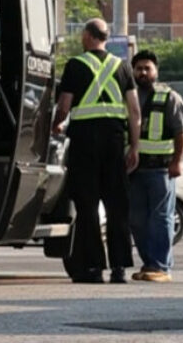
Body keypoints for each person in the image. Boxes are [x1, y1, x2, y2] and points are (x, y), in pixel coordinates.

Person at [51, 18, 141, 284]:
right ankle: (119, 268)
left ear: (88, 36)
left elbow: (64, 105)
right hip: (114, 142)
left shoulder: (75, 65)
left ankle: (93, 268)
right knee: (117, 207)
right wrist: (134, 146)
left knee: (87, 206)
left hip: (84, 142)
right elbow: (134, 111)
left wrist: (55, 124)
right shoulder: (122, 66)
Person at [126, 49, 183, 283]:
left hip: (161, 170)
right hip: (134, 171)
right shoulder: (128, 96)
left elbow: (181, 131)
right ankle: (148, 264)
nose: (143, 72)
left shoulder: (169, 97)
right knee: (136, 219)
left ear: (156, 71)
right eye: (139, 68)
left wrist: (177, 161)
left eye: (148, 68)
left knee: (161, 218)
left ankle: (161, 266)